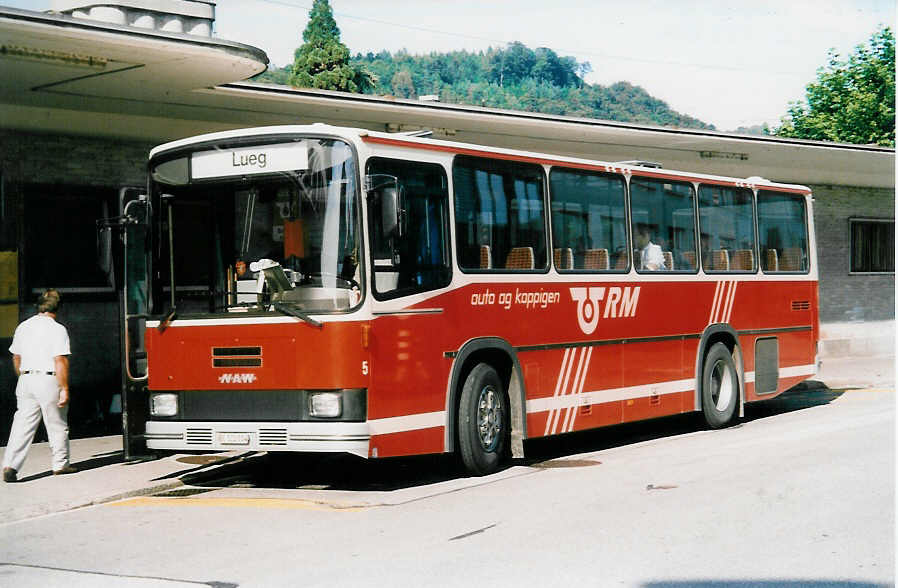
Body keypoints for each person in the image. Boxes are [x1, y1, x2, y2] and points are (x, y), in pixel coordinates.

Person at [2, 289, 75, 482]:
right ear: (58, 307)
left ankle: (10, 465)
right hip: (48, 378)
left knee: (22, 424)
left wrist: (23, 376)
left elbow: (16, 357)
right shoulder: (57, 329)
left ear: (39, 305)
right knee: (57, 423)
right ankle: (60, 464)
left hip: (26, 378)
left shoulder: (23, 327)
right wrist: (64, 388)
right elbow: (60, 360)